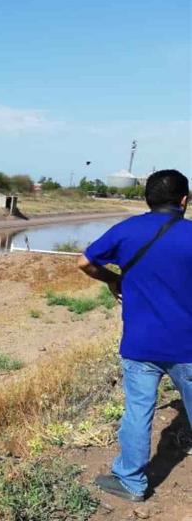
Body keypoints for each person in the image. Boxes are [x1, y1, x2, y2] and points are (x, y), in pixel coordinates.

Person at [78, 169, 192, 502]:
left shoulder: (127, 230)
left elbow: (84, 262)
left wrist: (113, 280)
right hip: (188, 345)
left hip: (140, 345)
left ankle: (130, 481)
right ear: (184, 200)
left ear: (147, 199)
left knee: (138, 410)